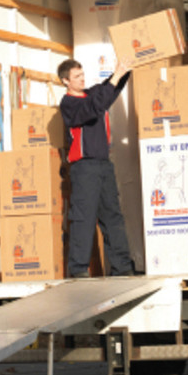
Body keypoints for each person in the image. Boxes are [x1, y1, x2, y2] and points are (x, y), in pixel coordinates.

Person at [58, 57, 134, 278]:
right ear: (65, 81)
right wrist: (115, 78)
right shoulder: (70, 104)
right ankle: (79, 269)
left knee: (113, 217)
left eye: (82, 75)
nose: (82, 80)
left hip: (103, 166)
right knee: (84, 218)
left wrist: (125, 69)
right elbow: (93, 107)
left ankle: (122, 266)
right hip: (84, 168)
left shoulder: (92, 94)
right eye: (76, 77)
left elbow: (110, 88)